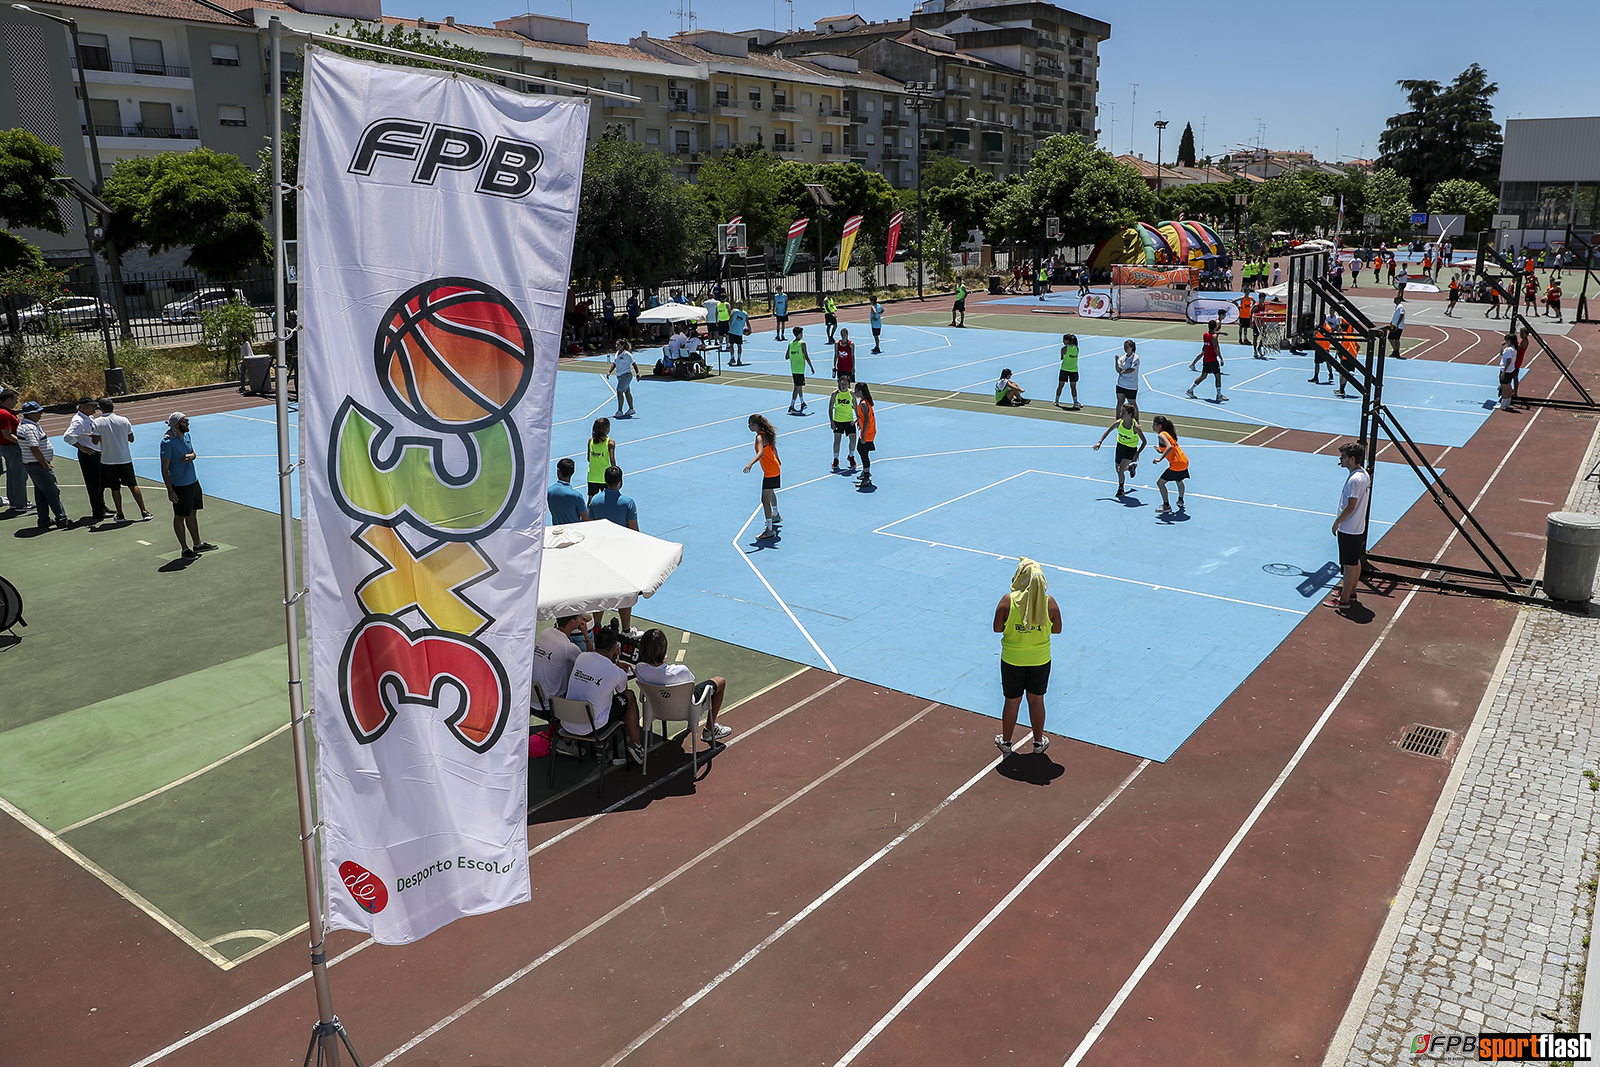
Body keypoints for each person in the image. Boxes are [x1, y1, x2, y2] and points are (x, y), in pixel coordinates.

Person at [992, 558, 1061, 756]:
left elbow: (997, 628)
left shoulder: (1008, 600)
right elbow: (1057, 629)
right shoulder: (1049, 602)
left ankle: (1006, 741)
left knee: (1012, 700)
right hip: (1040, 659)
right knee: (1037, 700)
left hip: (1013, 659)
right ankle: (1038, 743)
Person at [634, 628, 732, 744]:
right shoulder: (680, 671)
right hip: (686, 710)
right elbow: (691, 685)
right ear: (664, 650)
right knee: (720, 681)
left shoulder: (639, 669)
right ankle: (709, 730)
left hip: (657, 708)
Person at [563, 629, 644, 766]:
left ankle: (568, 742)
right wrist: (616, 663)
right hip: (593, 728)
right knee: (629, 696)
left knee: (598, 694)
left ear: (595, 644)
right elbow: (622, 692)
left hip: (567, 721)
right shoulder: (617, 673)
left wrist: (614, 664)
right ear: (615, 648)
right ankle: (636, 746)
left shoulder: (582, 657)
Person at [588, 466, 639, 629]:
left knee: (600, 592)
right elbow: (634, 531)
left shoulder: (595, 500)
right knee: (624, 593)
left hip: (600, 553)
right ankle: (625, 629)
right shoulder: (628, 503)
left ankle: (596, 626)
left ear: (605, 480)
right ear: (621, 481)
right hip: (621, 555)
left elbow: (590, 526)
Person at [160, 412, 215, 558]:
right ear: (176, 424)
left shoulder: (187, 436)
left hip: (193, 481)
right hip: (180, 485)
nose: (188, 423)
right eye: (185, 421)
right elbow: (164, 469)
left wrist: (193, 456)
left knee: (192, 512)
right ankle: (184, 549)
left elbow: (192, 453)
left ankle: (197, 543)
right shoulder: (167, 443)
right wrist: (170, 490)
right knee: (179, 516)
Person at [16, 401, 70, 530]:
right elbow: (34, 447)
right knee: (52, 491)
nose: (41, 414)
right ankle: (62, 519)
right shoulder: (30, 428)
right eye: (38, 412)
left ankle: (44, 519)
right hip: (38, 465)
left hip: (33, 465)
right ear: (30, 414)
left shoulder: (27, 425)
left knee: (40, 492)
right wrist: (45, 464)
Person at [93, 399, 150, 521]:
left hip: (108, 461)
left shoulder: (97, 422)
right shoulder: (124, 420)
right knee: (133, 485)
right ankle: (144, 512)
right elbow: (131, 438)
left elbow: (95, 441)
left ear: (101, 409)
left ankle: (120, 514)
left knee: (115, 488)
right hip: (124, 459)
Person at [1329, 441, 1370, 611]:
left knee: (1348, 564)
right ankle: (1351, 592)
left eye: (1343, 457)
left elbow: (1351, 506)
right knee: (1354, 561)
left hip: (1349, 527)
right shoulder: (1363, 474)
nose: (1341, 459)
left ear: (1352, 459)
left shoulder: (1354, 480)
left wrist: (1338, 521)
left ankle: (1344, 600)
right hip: (1358, 526)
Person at [63, 396, 109, 524]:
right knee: (94, 483)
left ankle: (101, 506)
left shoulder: (88, 417)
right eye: (92, 406)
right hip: (89, 454)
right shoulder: (78, 421)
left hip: (95, 452)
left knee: (100, 482)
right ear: (83, 407)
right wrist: (81, 447)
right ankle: (98, 511)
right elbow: (68, 436)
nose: (95, 408)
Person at [1092, 402, 1146, 498]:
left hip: (1131, 449)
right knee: (1118, 470)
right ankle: (1131, 468)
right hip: (1120, 447)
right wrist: (1099, 442)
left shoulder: (1135, 428)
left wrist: (1137, 453)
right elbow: (1107, 431)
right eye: (1121, 412)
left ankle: (1121, 489)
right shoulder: (1118, 423)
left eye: (1123, 412)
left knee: (1120, 470)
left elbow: (1144, 442)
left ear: (1130, 414)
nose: (1121, 414)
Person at [533, 613, 587, 702]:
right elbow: (589, 666)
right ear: (572, 622)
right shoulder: (569, 648)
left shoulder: (546, 632)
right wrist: (586, 635)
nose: (582, 618)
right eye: (579, 617)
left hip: (533, 698)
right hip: (551, 704)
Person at [743, 413, 781, 539]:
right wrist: (778, 459)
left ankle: (769, 530)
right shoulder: (767, 434)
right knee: (771, 493)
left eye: (750, 424)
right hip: (775, 468)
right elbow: (774, 449)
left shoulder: (760, 437)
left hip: (770, 471)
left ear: (755, 425)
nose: (748, 427)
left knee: (764, 500)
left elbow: (760, 453)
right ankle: (775, 515)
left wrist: (750, 463)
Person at [1152, 415, 1189, 513]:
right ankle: (1180, 500)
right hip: (1184, 461)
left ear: (1159, 426)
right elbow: (1170, 448)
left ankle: (1166, 506)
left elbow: (1169, 447)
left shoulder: (1161, 435)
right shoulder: (1168, 434)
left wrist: (1160, 459)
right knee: (1179, 480)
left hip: (1176, 463)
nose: (1153, 426)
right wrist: (1161, 451)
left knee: (1160, 483)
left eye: (1154, 424)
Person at [0, 388, 26, 513]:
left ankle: (14, 502)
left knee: (12, 475)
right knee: (19, 476)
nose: (16, 402)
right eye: (15, 400)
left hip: (8, 448)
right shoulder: (5, 414)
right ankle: (20, 503)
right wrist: (24, 443)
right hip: (12, 448)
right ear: (8, 400)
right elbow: (7, 434)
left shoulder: (5, 412)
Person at [1185, 326, 1227, 402]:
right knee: (1218, 377)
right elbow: (1216, 348)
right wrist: (1221, 358)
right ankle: (1219, 395)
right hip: (1213, 360)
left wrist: (1221, 333)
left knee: (1203, 376)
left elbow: (1212, 333)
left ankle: (1190, 390)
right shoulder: (1214, 337)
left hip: (1206, 359)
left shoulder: (1205, 334)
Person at [547, 456, 589, 525]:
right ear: (573, 472)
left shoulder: (549, 492)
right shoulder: (577, 496)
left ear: (558, 471)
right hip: (573, 533)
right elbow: (586, 519)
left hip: (558, 531)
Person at [829, 376, 857, 471]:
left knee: (853, 440)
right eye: (842, 383)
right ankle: (836, 459)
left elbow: (856, 407)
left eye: (845, 383)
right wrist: (832, 422)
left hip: (849, 420)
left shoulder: (852, 394)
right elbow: (830, 408)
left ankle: (851, 456)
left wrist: (858, 419)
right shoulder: (835, 394)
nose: (843, 384)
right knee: (837, 441)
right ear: (839, 384)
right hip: (838, 420)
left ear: (848, 384)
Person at [786, 327, 814, 414]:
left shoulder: (791, 344)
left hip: (794, 368)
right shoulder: (802, 343)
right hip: (799, 369)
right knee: (797, 387)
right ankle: (791, 406)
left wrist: (794, 355)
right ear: (798, 334)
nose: (802, 335)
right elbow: (806, 356)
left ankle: (802, 402)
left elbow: (786, 356)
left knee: (799, 385)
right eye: (801, 333)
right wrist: (811, 367)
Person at [585, 418, 615, 498]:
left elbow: (589, 459)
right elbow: (612, 460)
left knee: (591, 500)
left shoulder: (590, 441)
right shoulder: (610, 442)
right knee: (607, 500)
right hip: (605, 477)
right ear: (607, 428)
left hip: (592, 476)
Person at [854, 381, 876, 486]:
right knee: (860, 449)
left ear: (860, 391)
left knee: (863, 453)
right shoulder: (865, 401)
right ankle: (865, 471)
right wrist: (858, 421)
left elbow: (867, 419)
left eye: (856, 390)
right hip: (868, 430)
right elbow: (863, 417)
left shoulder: (863, 403)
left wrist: (863, 435)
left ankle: (866, 477)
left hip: (867, 432)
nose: (855, 392)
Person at [606, 341, 637, 417]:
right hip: (620, 376)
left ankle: (620, 411)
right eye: (616, 344)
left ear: (623, 345)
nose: (616, 346)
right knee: (627, 391)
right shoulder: (617, 353)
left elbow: (634, 364)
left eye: (618, 345)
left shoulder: (627, 354)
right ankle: (631, 409)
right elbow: (615, 363)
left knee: (619, 391)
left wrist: (638, 374)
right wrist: (609, 372)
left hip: (626, 375)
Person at [1054, 333, 1081, 410]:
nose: (1063, 341)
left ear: (1068, 340)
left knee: (1060, 386)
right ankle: (1075, 402)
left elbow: (1062, 357)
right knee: (1073, 387)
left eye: (1064, 340)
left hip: (1064, 370)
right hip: (1074, 370)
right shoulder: (1077, 348)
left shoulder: (1063, 349)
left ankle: (1056, 401)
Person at [1114, 339, 1141, 416]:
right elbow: (1118, 369)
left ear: (1132, 347)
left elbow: (1132, 369)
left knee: (1132, 403)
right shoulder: (1122, 358)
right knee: (1119, 403)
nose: (1125, 348)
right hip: (1121, 384)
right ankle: (1118, 419)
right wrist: (1116, 361)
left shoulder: (1135, 358)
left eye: (1127, 347)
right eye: (1124, 347)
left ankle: (1136, 420)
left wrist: (1123, 372)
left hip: (1131, 385)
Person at [1498, 333, 1518, 412]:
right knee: (1509, 388)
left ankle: (1503, 404)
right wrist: (1502, 347)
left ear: (1509, 340)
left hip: (1506, 370)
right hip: (1511, 370)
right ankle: (1508, 402)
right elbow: (1501, 354)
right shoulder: (1513, 348)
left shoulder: (1508, 350)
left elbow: (1508, 361)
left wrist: (1503, 372)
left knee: (1505, 389)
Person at [727, 301, 749, 366]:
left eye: (739, 304)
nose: (737, 305)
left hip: (739, 332)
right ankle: (732, 358)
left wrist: (749, 329)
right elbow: (730, 319)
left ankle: (739, 359)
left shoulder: (745, 313)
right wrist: (729, 327)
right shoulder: (734, 311)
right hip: (732, 331)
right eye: (736, 304)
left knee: (739, 345)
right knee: (731, 345)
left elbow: (747, 321)